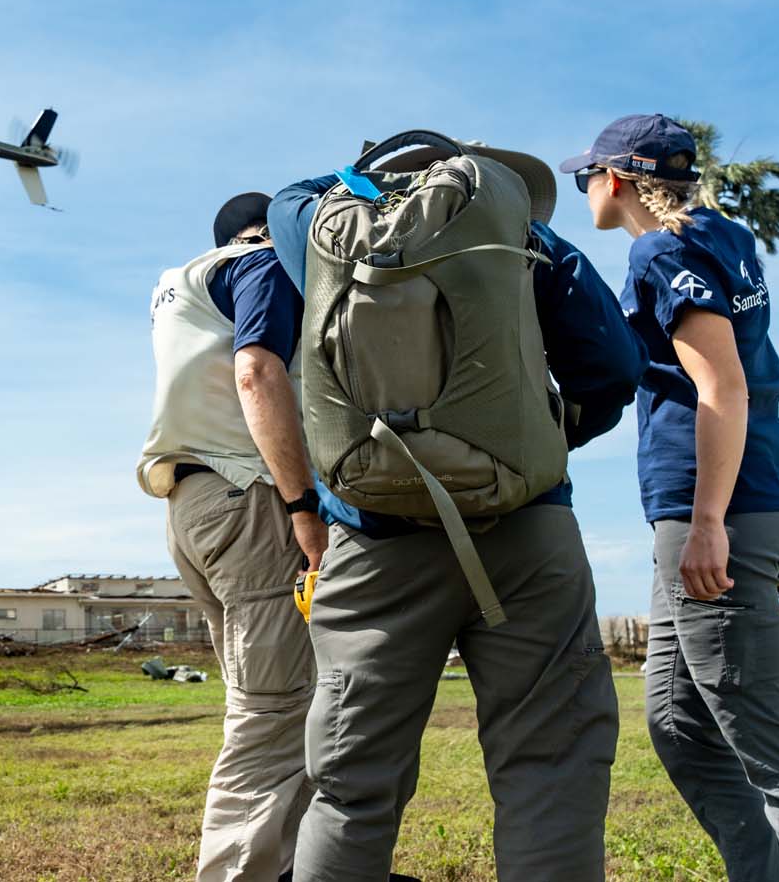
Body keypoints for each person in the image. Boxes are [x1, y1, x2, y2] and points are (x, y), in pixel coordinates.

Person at [266, 137, 645, 882]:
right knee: (551, 765)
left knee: (351, 783)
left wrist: (362, 169)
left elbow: (286, 196)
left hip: (371, 541)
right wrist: (539, 440)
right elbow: (613, 366)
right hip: (526, 529)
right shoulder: (527, 237)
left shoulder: (314, 229)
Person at [562, 114, 779, 882]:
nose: (582, 191)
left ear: (618, 178)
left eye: (583, 177)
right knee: (678, 723)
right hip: (721, 501)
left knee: (763, 738)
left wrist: (705, 522)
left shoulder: (660, 249)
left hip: (718, 508)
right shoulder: (719, 235)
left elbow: (720, 386)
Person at [136, 192, 327, 882]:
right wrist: (302, 503)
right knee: (274, 713)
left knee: (267, 703)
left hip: (190, 501)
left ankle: (289, 869)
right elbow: (256, 368)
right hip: (251, 499)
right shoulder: (262, 263)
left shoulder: (179, 289)